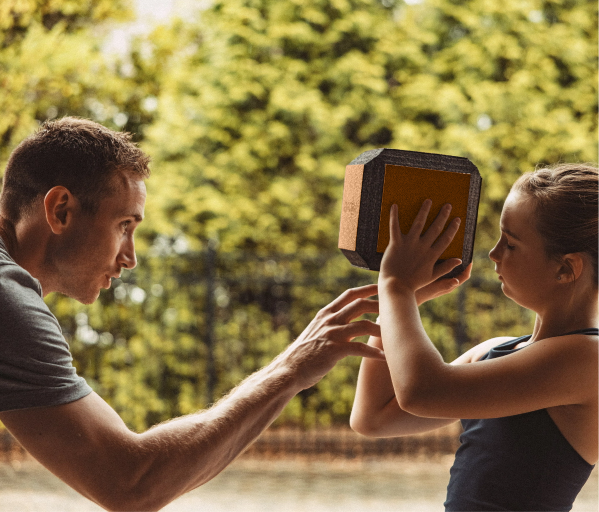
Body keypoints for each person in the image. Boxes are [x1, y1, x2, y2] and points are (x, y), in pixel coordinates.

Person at [0, 116, 397, 511]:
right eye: (124, 225)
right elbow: (131, 482)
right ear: (61, 210)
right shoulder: (9, 303)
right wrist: (290, 369)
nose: (131, 258)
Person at [350, 163, 598, 511]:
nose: (493, 254)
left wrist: (396, 288)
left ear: (565, 268)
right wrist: (410, 296)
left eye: (510, 244)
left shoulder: (588, 360)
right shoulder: (494, 351)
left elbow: (422, 390)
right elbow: (373, 417)